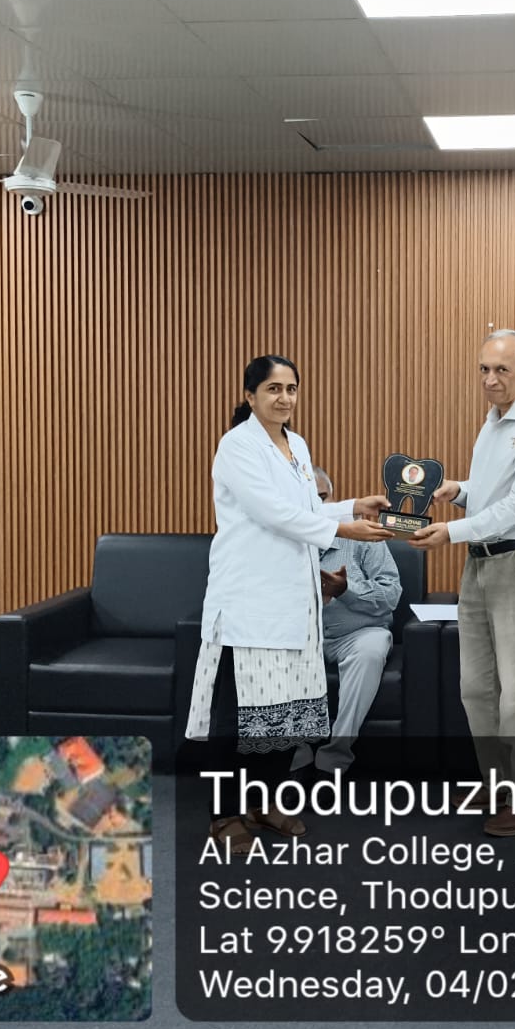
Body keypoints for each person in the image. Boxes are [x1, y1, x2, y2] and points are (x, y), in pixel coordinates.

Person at [186, 355, 392, 855]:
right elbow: (272, 513)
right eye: (273, 389)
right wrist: (343, 527)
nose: (284, 398)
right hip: (249, 605)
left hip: (294, 606)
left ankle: (265, 803)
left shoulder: (296, 445)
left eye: (291, 389)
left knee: (287, 713)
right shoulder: (237, 446)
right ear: (250, 395)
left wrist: (353, 506)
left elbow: (304, 509)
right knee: (237, 719)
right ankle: (224, 815)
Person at [410, 329, 515, 837]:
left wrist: (451, 531)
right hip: (479, 563)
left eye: (501, 369)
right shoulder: (493, 421)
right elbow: (492, 493)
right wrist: (458, 491)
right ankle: (499, 781)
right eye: (484, 369)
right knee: (477, 687)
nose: (490, 379)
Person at [290, 467, 402, 778]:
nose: (316, 507)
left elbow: (391, 594)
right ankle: (297, 756)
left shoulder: (363, 536)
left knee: (371, 649)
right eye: (307, 500)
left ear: (334, 500)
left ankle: (334, 757)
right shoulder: (284, 544)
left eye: (322, 498)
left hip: (357, 633)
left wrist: (347, 591)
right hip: (302, 637)